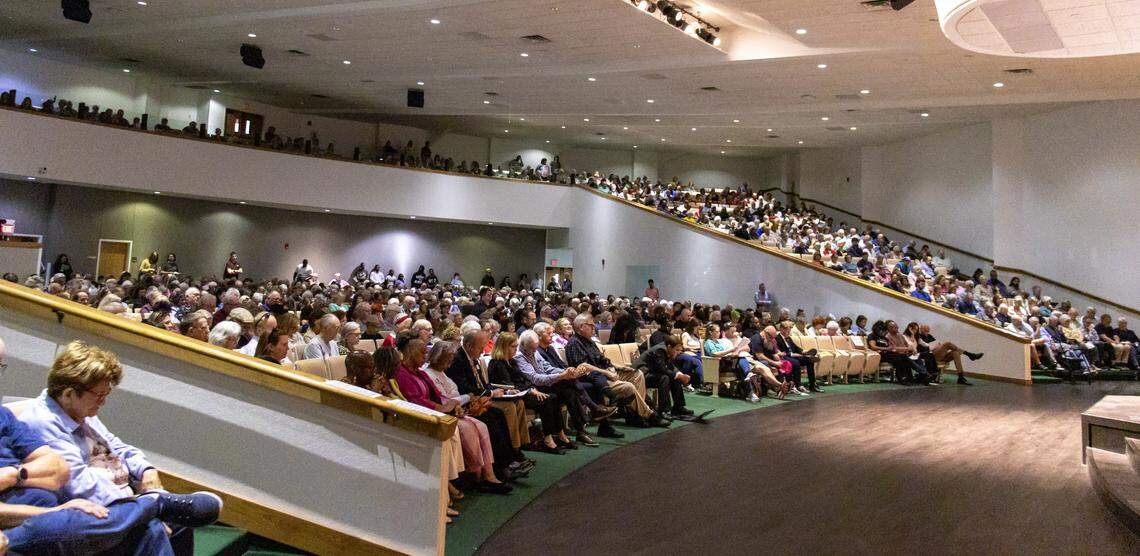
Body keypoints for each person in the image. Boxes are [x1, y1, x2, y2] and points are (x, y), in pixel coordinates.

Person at [565, 314, 668, 428]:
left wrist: (619, 367)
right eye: (591, 326)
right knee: (629, 387)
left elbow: (603, 360)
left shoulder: (590, 341)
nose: (594, 328)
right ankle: (648, 415)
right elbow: (584, 368)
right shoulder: (574, 343)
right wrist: (607, 373)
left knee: (637, 374)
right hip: (596, 379)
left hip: (606, 372)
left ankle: (635, 415)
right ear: (581, 327)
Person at [488, 333, 573, 454]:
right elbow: (508, 385)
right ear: (504, 347)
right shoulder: (496, 363)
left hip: (522, 393)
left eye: (516, 346)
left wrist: (532, 389)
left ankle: (560, 435)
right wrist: (530, 390)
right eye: (513, 346)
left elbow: (524, 380)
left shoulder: (511, 361)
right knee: (547, 400)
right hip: (512, 397)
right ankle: (548, 439)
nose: (516, 349)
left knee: (553, 397)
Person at [631, 336, 693, 419]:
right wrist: (679, 376)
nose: (679, 352)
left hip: (650, 373)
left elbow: (671, 366)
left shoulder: (667, 349)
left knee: (676, 377)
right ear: (669, 347)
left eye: (680, 350)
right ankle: (663, 411)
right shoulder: (659, 350)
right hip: (639, 376)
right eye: (677, 350)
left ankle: (678, 407)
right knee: (664, 378)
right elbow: (662, 369)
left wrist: (680, 375)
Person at [775, 321, 824, 393]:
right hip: (785, 357)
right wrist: (792, 354)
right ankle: (799, 385)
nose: (789, 332)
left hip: (794, 356)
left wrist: (802, 351)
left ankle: (812, 384)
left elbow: (796, 347)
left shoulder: (788, 338)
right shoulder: (777, 338)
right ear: (781, 329)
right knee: (796, 362)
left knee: (809, 361)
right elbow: (780, 352)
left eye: (789, 330)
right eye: (787, 330)